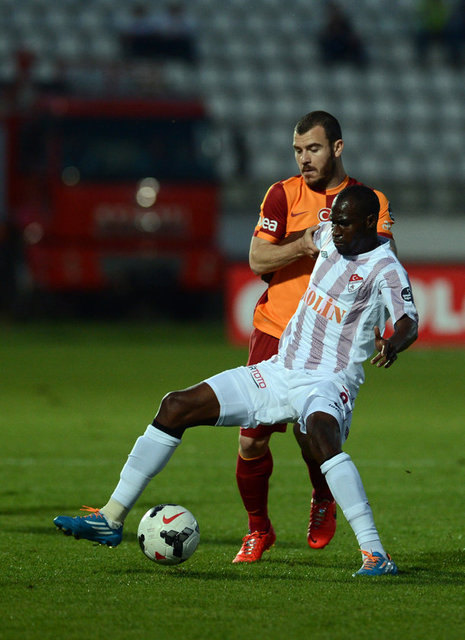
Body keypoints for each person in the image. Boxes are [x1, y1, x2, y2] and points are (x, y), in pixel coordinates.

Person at [54, 185, 419, 577]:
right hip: (279, 370)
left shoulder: (385, 267)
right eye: (335, 222)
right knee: (175, 406)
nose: (337, 230)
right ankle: (110, 518)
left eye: (345, 224)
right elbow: (276, 250)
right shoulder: (329, 235)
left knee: (320, 435)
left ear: (369, 222)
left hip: (328, 381)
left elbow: (409, 321)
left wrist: (393, 343)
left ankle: (375, 554)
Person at [233, 110, 396, 564]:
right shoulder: (282, 194)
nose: (304, 159)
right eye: (298, 151)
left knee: (313, 436)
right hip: (276, 330)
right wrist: (303, 244)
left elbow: (385, 268)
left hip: (328, 342)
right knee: (251, 441)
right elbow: (257, 259)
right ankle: (258, 529)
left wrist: (385, 325)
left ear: (337, 148)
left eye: (314, 149)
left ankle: (322, 496)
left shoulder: (369, 202)